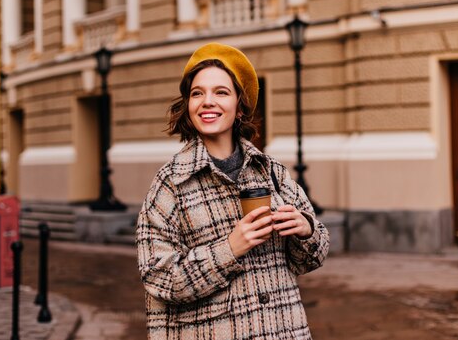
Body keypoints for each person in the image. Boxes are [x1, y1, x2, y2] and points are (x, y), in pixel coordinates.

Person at [136, 42, 329, 340]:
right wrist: (229, 249)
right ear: (188, 106)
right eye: (197, 93)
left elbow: (311, 258)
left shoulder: (272, 171)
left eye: (221, 92)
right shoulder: (171, 182)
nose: (207, 101)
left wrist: (306, 230)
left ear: (240, 107)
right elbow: (158, 277)